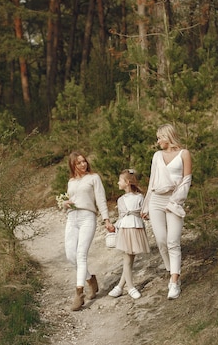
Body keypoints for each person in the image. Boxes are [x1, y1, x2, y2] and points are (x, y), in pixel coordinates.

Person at [142, 124, 192, 299]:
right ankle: (173, 270)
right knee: (162, 240)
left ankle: (174, 281)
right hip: (156, 200)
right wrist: (146, 205)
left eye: (159, 138)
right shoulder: (157, 156)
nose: (157, 142)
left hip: (174, 200)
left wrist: (176, 200)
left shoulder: (184, 154)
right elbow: (152, 181)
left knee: (173, 241)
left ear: (168, 137)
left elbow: (186, 181)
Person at [61, 151, 115, 311]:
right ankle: (90, 279)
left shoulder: (94, 178)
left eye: (84, 161)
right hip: (72, 217)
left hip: (87, 217)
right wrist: (66, 203)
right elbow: (72, 198)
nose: (83, 164)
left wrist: (106, 219)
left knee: (81, 254)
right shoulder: (71, 181)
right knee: (70, 255)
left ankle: (79, 293)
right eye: (78, 163)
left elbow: (100, 199)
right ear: (73, 165)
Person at [107, 169, 151, 300]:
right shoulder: (121, 200)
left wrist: (147, 215)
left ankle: (120, 286)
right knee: (127, 260)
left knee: (130, 260)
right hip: (125, 229)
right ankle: (130, 287)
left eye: (120, 180)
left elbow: (144, 213)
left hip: (135, 228)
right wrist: (114, 226)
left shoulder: (139, 197)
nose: (117, 182)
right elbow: (122, 217)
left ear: (127, 183)